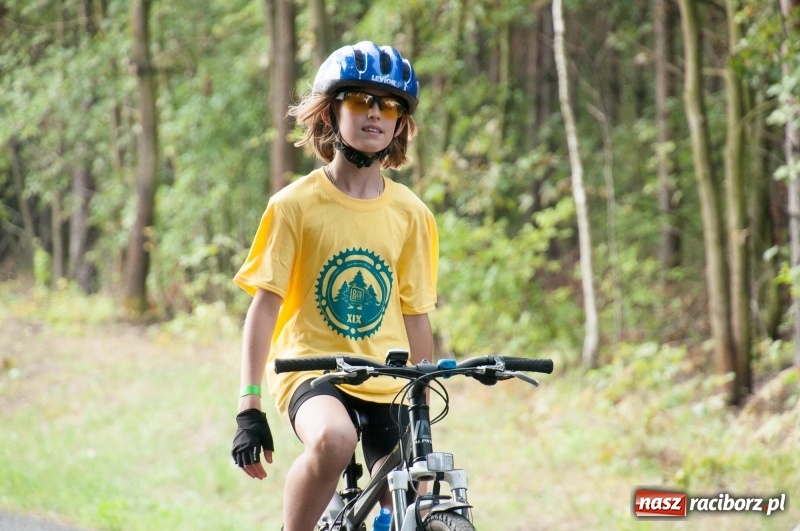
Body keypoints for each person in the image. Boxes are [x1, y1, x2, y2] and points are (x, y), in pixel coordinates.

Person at [230, 41, 439, 531]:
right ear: (330, 112)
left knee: (415, 493)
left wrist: (421, 408)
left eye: (389, 105)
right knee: (334, 440)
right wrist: (249, 405)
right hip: (313, 372)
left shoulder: (412, 214)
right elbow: (264, 307)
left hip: (387, 379)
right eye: (360, 100)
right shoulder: (293, 205)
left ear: (400, 124)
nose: (375, 113)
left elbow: (416, 315)